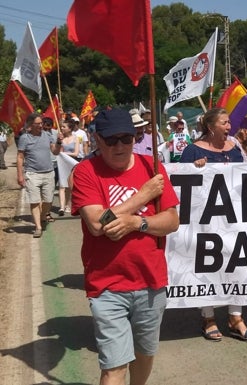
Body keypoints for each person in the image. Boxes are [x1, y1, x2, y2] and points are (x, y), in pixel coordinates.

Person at [71, 108, 180, 385]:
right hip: (107, 286)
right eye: (111, 140)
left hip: (151, 281)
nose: (119, 146)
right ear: (97, 139)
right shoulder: (86, 172)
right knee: (114, 366)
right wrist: (143, 196)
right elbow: (98, 224)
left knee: (144, 355)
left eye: (127, 139)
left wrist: (138, 224)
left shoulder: (153, 168)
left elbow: (171, 221)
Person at [180, 108, 247, 342]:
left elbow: (244, 177)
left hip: (235, 220)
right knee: (209, 266)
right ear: (211, 126)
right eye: (225, 123)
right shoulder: (192, 150)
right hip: (205, 221)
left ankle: (236, 317)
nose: (229, 128)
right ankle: (208, 317)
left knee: (238, 263)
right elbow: (181, 184)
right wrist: (194, 168)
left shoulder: (234, 149)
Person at [17, 113, 63, 238]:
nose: (41, 126)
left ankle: (43, 217)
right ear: (31, 125)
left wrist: (59, 142)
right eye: (38, 124)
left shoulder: (47, 135)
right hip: (32, 174)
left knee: (48, 200)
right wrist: (20, 175)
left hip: (48, 173)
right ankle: (38, 227)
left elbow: (55, 151)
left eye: (41, 123)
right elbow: (20, 157)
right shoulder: (24, 138)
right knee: (35, 201)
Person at [58, 121, 80, 216]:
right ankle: (62, 207)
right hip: (62, 163)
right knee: (62, 185)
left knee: (70, 186)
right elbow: (59, 151)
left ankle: (68, 204)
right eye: (61, 126)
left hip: (72, 164)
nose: (62, 128)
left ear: (70, 128)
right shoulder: (60, 139)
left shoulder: (76, 138)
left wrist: (64, 154)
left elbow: (76, 153)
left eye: (64, 126)